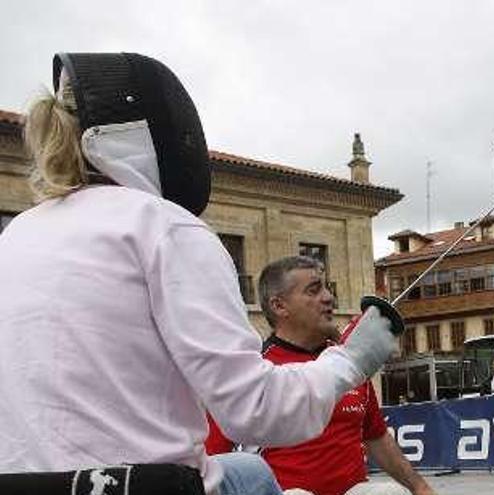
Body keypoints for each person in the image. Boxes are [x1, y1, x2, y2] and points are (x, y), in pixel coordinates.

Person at [0, 53, 398, 495]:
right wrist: (351, 359)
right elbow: (260, 411)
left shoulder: (15, 234)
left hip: (26, 484)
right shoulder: (165, 227)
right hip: (145, 486)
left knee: (249, 470)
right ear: (157, 134)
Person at [206, 256, 434, 495]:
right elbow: (212, 460)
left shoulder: (351, 366)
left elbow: (376, 436)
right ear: (279, 306)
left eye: (327, 288)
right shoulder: (249, 373)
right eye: (314, 290)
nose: (328, 298)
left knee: (389, 494)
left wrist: (420, 488)